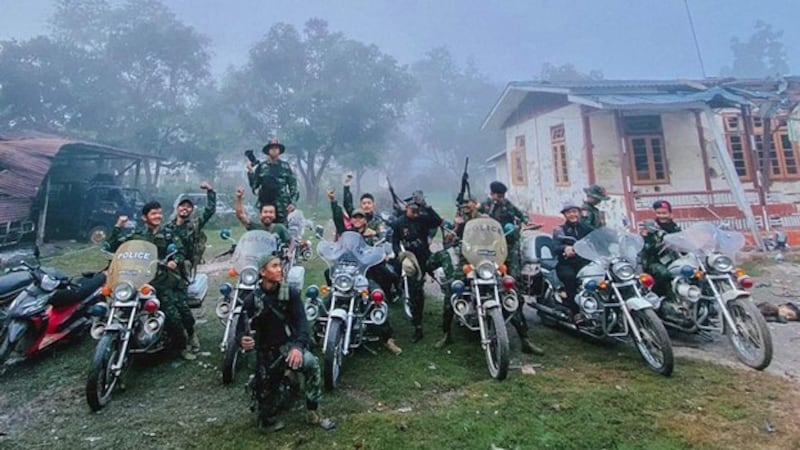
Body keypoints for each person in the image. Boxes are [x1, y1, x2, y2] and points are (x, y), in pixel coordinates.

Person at [240, 254, 335, 432]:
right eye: (274, 266)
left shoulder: (289, 293)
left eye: (280, 265)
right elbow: (240, 329)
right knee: (268, 407)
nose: (280, 269)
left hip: (287, 349)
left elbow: (302, 324)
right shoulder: (252, 300)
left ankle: (313, 411)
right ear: (262, 272)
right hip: (265, 353)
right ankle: (284, 383)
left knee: (312, 365)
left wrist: (298, 347)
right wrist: (242, 340)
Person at [105, 201, 195, 361]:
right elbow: (112, 246)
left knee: (175, 315)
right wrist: (118, 226)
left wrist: (174, 260)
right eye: (154, 213)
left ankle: (183, 344)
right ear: (144, 217)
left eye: (159, 213)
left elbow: (180, 251)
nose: (158, 216)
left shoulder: (169, 233)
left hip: (162, 279)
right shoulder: (136, 234)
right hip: (139, 278)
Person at [327, 188, 402, 355]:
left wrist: (381, 251)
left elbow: (381, 248)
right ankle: (318, 330)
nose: (358, 220)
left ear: (365, 220)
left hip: (365, 276)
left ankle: (387, 339)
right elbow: (338, 219)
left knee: (378, 296)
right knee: (328, 296)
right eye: (355, 217)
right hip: (346, 275)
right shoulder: (347, 234)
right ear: (352, 220)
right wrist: (333, 202)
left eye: (361, 217)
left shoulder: (373, 236)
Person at [479, 181, 543, 355]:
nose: (501, 199)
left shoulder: (508, 205)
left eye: (502, 196)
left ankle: (525, 339)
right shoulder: (484, 205)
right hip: (488, 248)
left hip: (508, 247)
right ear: (492, 194)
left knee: (512, 288)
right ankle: (488, 326)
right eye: (498, 196)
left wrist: (525, 222)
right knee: (484, 284)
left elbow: (521, 216)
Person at [169, 182, 216, 354]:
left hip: (183, 269)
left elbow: (210, 211)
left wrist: (210, 191)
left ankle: (190, 334)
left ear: (191, 211)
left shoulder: (194, 225)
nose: (185, 209)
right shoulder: (168, 227)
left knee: (182, 306)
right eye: (182, 206)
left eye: (188, 207)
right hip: (165, 267)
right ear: (177, 208)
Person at [391, 199, 443, 342]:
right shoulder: (399, 223)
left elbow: (438, 222)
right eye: (412, 210)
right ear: (406, 208)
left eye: (417, 211)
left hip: (426, 257)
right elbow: (395, 242)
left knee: (445, 277)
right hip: (411, 260)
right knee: (416, 293)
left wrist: (427, 207)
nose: (415, 213)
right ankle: (418, 327)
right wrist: (400, 255)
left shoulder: (423, 219)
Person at [432, 196, 478, 349]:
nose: (465, 206)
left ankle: (523, 336)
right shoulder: (458, 220)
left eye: (468, 202)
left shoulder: (484, 219)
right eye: (463, 203)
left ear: (475, 203)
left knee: (507, 286)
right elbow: (448, 242)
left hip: (484, 261)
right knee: (452, 288)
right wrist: (457, 228)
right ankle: (446, 333)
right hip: (465, 263)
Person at [553, 202, 594, 323]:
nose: (572, 214)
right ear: (565, 215)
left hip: (584, 262)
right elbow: (555, 246)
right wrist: (565, 248)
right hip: (567, 263)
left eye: (574, 211)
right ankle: (576, 312)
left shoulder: (586, 227)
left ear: (579, 213)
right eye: (569, 212)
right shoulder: (560, 230)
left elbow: (598, 237)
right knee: (570, 278)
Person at [246, 138, 299, 224]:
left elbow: (293, 186)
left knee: (282, 230)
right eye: (272, 148)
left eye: (276, 148)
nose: (274, 150)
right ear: (268, 151)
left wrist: (293, 203)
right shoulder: (261, 167)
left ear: (279, 151)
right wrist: (250, 172)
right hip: (266, 206)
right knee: (266, 230)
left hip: (282, 205)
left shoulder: (285, 166)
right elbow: (254, 185)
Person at [640, 200, 681, 298]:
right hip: (654, 260)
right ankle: (660, 297)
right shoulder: (650, 227)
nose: (661, 216)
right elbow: (645, 246)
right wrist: (656, 245)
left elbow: (684, 240)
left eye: (664, 213)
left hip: (674, 259)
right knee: (664, 274)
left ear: (670, 213)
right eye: (659, 213)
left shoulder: (675, 227)